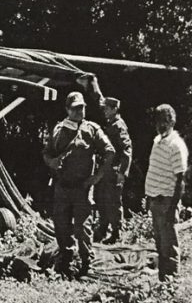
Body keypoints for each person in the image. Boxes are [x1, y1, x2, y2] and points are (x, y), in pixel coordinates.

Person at [43, 91, 115, 278]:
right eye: (75, 108)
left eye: (82, 107)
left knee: (83, 228)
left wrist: (96, 177)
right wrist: (52, 162)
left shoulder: (92, 130)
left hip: (82, 188)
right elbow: (47, 153)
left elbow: (109, 152)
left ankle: (86, 263)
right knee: (61, 226)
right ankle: (65, 260)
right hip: (62, 187)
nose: (79, 111)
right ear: (68, 110)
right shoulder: (58, 130)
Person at [78, 75, 133, 243]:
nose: (104, 110)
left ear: (114, 109)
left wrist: (122, 172)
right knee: (102, 199)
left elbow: (127, 149)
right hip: (106, 169)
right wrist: (91, 85)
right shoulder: (111, 122)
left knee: (113, 202)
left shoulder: (118, 126)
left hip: (114, 170)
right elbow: (100, 100)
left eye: (108, 108)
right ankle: (103, 229)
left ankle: (116, 233)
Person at [145, 104, 188, 281]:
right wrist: (149, 197)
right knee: (159, 243)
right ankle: (163, 280)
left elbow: (180, 180)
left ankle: (171, 283)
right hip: (155, 199)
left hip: (167, 201)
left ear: (172, 121)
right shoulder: (157, 141)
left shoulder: (176, 145)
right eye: (158, 121)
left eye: (165, 121)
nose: (161, 125)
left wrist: (172, 208)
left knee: (169, 244)